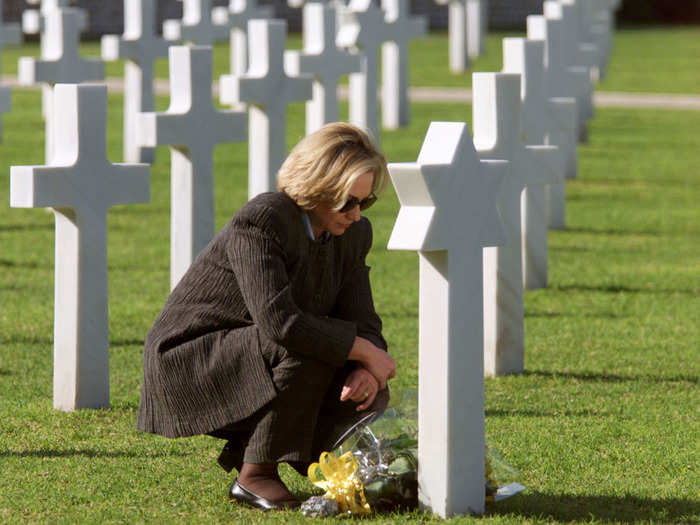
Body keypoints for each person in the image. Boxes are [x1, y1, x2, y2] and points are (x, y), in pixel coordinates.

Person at [136, 122, 396, 510]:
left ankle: (350, 472)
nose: (357, 215)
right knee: (308, 346)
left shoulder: (354, 235)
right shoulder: (263, 219)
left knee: (364, 387)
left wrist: (368, 367)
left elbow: (363, 319)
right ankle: (255, 474)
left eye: (366, 202)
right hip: (192, 355)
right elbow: (280, 322)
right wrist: (362, 350)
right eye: (347, 202)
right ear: (316, 188)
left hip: (262, 348)